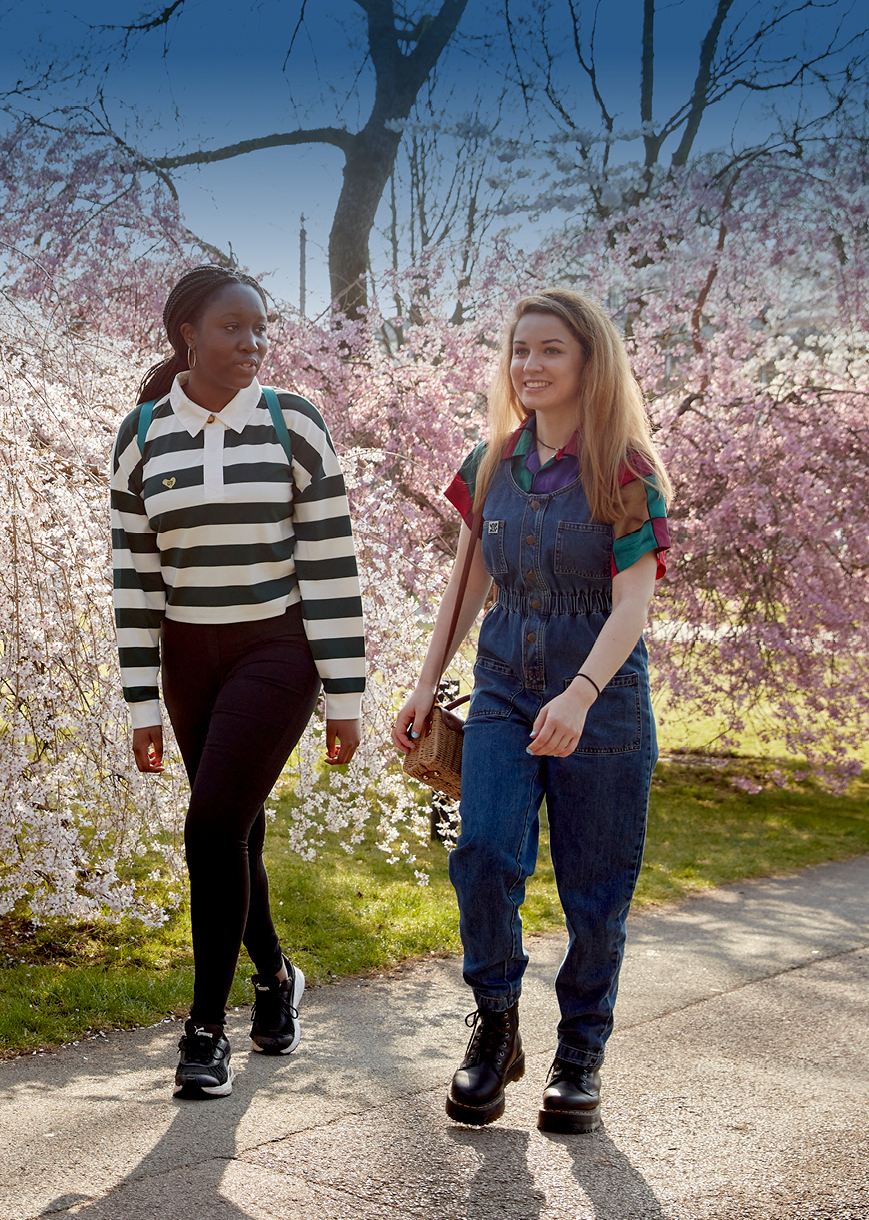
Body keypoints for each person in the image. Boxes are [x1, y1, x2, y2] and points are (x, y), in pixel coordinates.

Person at [392, 287, 672, 1134]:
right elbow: (469, 582)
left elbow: (634, 605)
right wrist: (424, 677)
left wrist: (581, 696)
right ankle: (497, 1026)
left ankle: (579, 1056)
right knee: (481, 849)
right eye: (520, 350)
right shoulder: (492, 462)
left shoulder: (628, 469)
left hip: (605, 700)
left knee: (595, 895)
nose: (530, 366)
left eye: (550, 350)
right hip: (507, 685)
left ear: (589, 361)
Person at [109, 265, 367, 1099]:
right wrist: (143, 703)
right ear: (187, 333)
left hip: (276, 651)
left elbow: (332, 568)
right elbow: (135, 583)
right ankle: (275, 979)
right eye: (233, 327)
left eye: (260, 328)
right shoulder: (142, 435)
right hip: (187, 657)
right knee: (237, 834)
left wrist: (346, 695)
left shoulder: (296, 425)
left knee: (210, 827)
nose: (252, 343)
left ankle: (203, 1031)